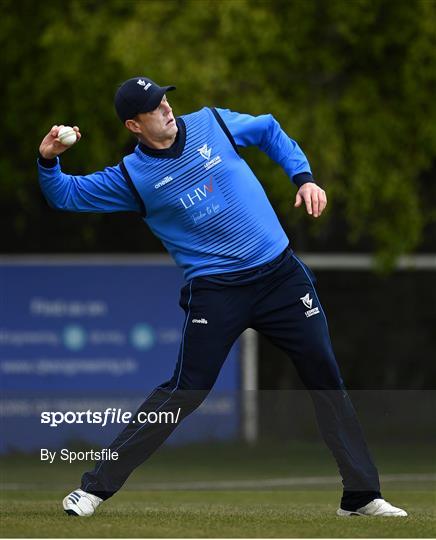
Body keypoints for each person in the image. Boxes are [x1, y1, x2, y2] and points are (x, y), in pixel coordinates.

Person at [38, 77, 407, 518]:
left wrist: (304, 177)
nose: (167, 108)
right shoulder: (133, 177)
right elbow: (66, 195)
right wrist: (48, 162)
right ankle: (94, 488)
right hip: (216, 292)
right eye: (154, 107)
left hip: (281, 278)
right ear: (134, 125)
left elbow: (269, 128)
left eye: (165, 99)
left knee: (326, 377)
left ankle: (361, 496)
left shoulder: (212, 122)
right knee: (184, 392)